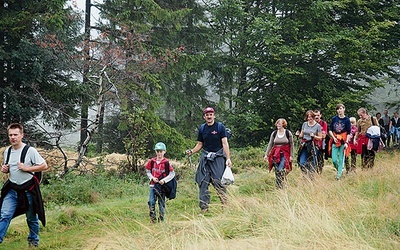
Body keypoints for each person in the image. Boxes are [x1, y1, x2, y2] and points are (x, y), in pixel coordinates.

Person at [0, 123, 48, 247]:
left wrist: (27, 168)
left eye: (15, 134)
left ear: (22, 135)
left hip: (29, 190)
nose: (13, 137)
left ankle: (33, 242)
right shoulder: (7, 151)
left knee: (31, 218)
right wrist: (5, 169)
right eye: (10, 135)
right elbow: (10, 168)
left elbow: (44, 166)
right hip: (12, 190)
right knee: (4, 215)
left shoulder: (30, 151)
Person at [186, 107, 232, 212]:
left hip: (218, 158)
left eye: (211, 114)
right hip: (205, 158)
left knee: (218, 182)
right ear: (204, 117)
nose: (209, 116)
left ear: (214, 116)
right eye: (207, 115)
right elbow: (200, 144)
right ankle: (204, 208)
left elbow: (225, 143)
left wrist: (228, 158)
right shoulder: (202, 128)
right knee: (202, 182)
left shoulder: (220, 127)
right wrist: (192, 151)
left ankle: (225, 205)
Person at [145, 142, 175, 223]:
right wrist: (152, 177)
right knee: (151, 201)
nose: (159, 153)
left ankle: (161, 218)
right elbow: (147, 171)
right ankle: (152, 218)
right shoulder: (152, 161)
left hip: (162, 186)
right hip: (153, 185)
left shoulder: (166, 162)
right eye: (157, 151)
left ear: (164, 151)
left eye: (161, 151)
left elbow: (172, 174)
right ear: (155, 152)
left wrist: (164, 180)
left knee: (161, 203)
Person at [263, 118, 294, 188]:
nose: (278, 125)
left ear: (283, 124)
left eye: (280, 123)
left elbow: (292, 145)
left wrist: (291, 156)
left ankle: (282, 183)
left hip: (285, 153)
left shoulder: (288, 133)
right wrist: (266, 155)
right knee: (277, 170)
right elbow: (270, 144)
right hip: (276, 154)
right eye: (277, 123)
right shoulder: (274, 133)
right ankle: (279, 186)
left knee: (281, 169)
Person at [296, 110, 322, 180]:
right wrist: (298, 135)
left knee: (313, 162)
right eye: (308, 117)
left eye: (310, 116)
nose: (309, 118)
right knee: (302, 162)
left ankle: (312, 177)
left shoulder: (317, 126)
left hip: (313, 144)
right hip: (305, 144)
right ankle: (305, 175)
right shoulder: (304, 124)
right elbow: (301, 135)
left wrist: (314, 136)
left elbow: (320, 137)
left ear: (313, 117)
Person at [328, 104, 351, 180]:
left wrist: (347, 142)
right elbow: (330, 130)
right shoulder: (334, 119)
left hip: (343, 141)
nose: (339, 110)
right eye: (338, 109)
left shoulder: (347, 120)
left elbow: (348, 132)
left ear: (344, 109)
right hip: (335, 139)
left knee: (341, 158)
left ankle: (339, 176)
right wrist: (333, 137)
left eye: (341, 109)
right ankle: (340, 170)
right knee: (334, 159)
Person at [314, 109, 328, 174]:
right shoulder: (311, 123)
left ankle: (319, 172)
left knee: (320, 158)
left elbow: (324, 135)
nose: (316, 117)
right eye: (315, 115)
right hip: (312, 143)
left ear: (320, 115)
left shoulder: (323, 123)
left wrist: (315, 135)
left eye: (318, 115)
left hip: (320, 144)